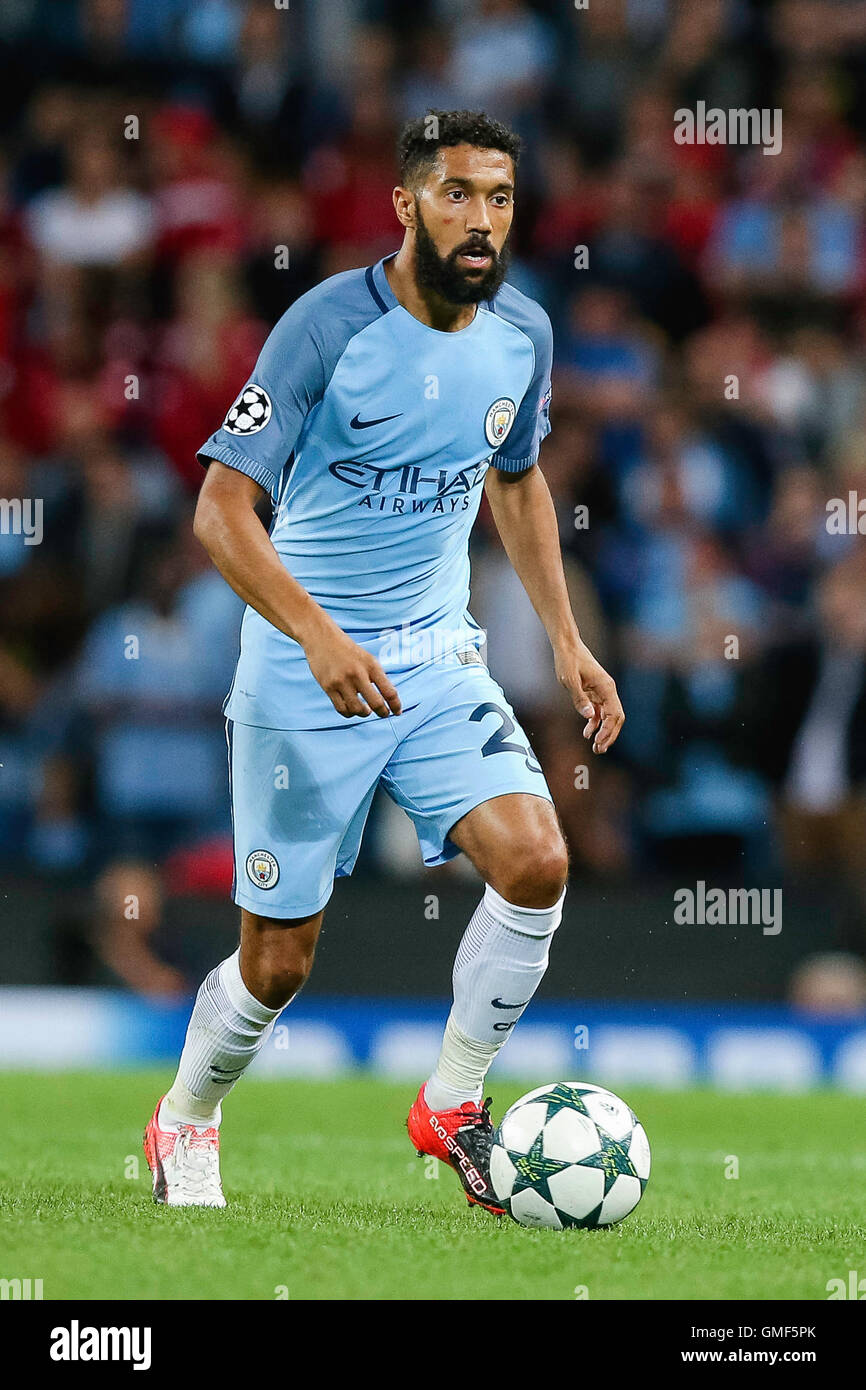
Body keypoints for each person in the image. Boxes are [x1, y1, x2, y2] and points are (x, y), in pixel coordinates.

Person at [143, 109, 624, 1211]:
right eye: (456, 194)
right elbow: (221, 512)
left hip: (437, 659)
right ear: (406, 204)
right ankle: (187, 1115)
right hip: (302, 668)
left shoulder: (523, 335)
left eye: (499, 197)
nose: (480, 219)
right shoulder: (324, 327)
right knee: (278, 963)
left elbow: (514, 477)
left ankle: (451, 1100)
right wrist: (316, 636)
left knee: (537, 861)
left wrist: (563, 637)